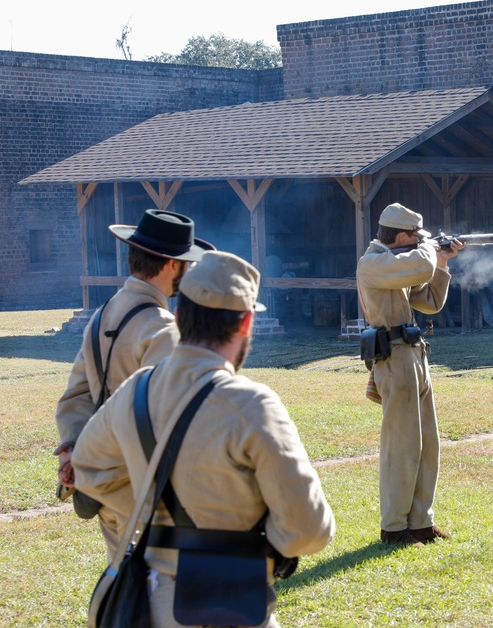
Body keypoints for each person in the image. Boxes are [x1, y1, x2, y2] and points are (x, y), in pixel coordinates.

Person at [72, 251, 335, 627]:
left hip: (153, 604)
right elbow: (309, 530)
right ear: (246, 323)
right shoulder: (252, 404)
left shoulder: (134, 391)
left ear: (178, 317)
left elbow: (88, 468)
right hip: (230, 602)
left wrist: (151, 510)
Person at [54, 209, 212, 561]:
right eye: (186, 263)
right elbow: (167, 420)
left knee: (126, 591)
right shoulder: (163, 329)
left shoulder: (102, 314)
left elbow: (77, 397)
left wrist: (73, 447)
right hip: (147, 494)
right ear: (172, 264)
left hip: (106, 483)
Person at [356, 202, 464, 546]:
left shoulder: (404, 261)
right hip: (393, 356)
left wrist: (442, 261)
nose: (420, 241)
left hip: (414, 354)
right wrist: (430, 249)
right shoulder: (373, 262)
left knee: (427, 443)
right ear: (402, 236)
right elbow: (419, 266)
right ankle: (394, 527)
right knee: (401, 446)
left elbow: (429, 302)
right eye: (415, 237)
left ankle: (420, 522)